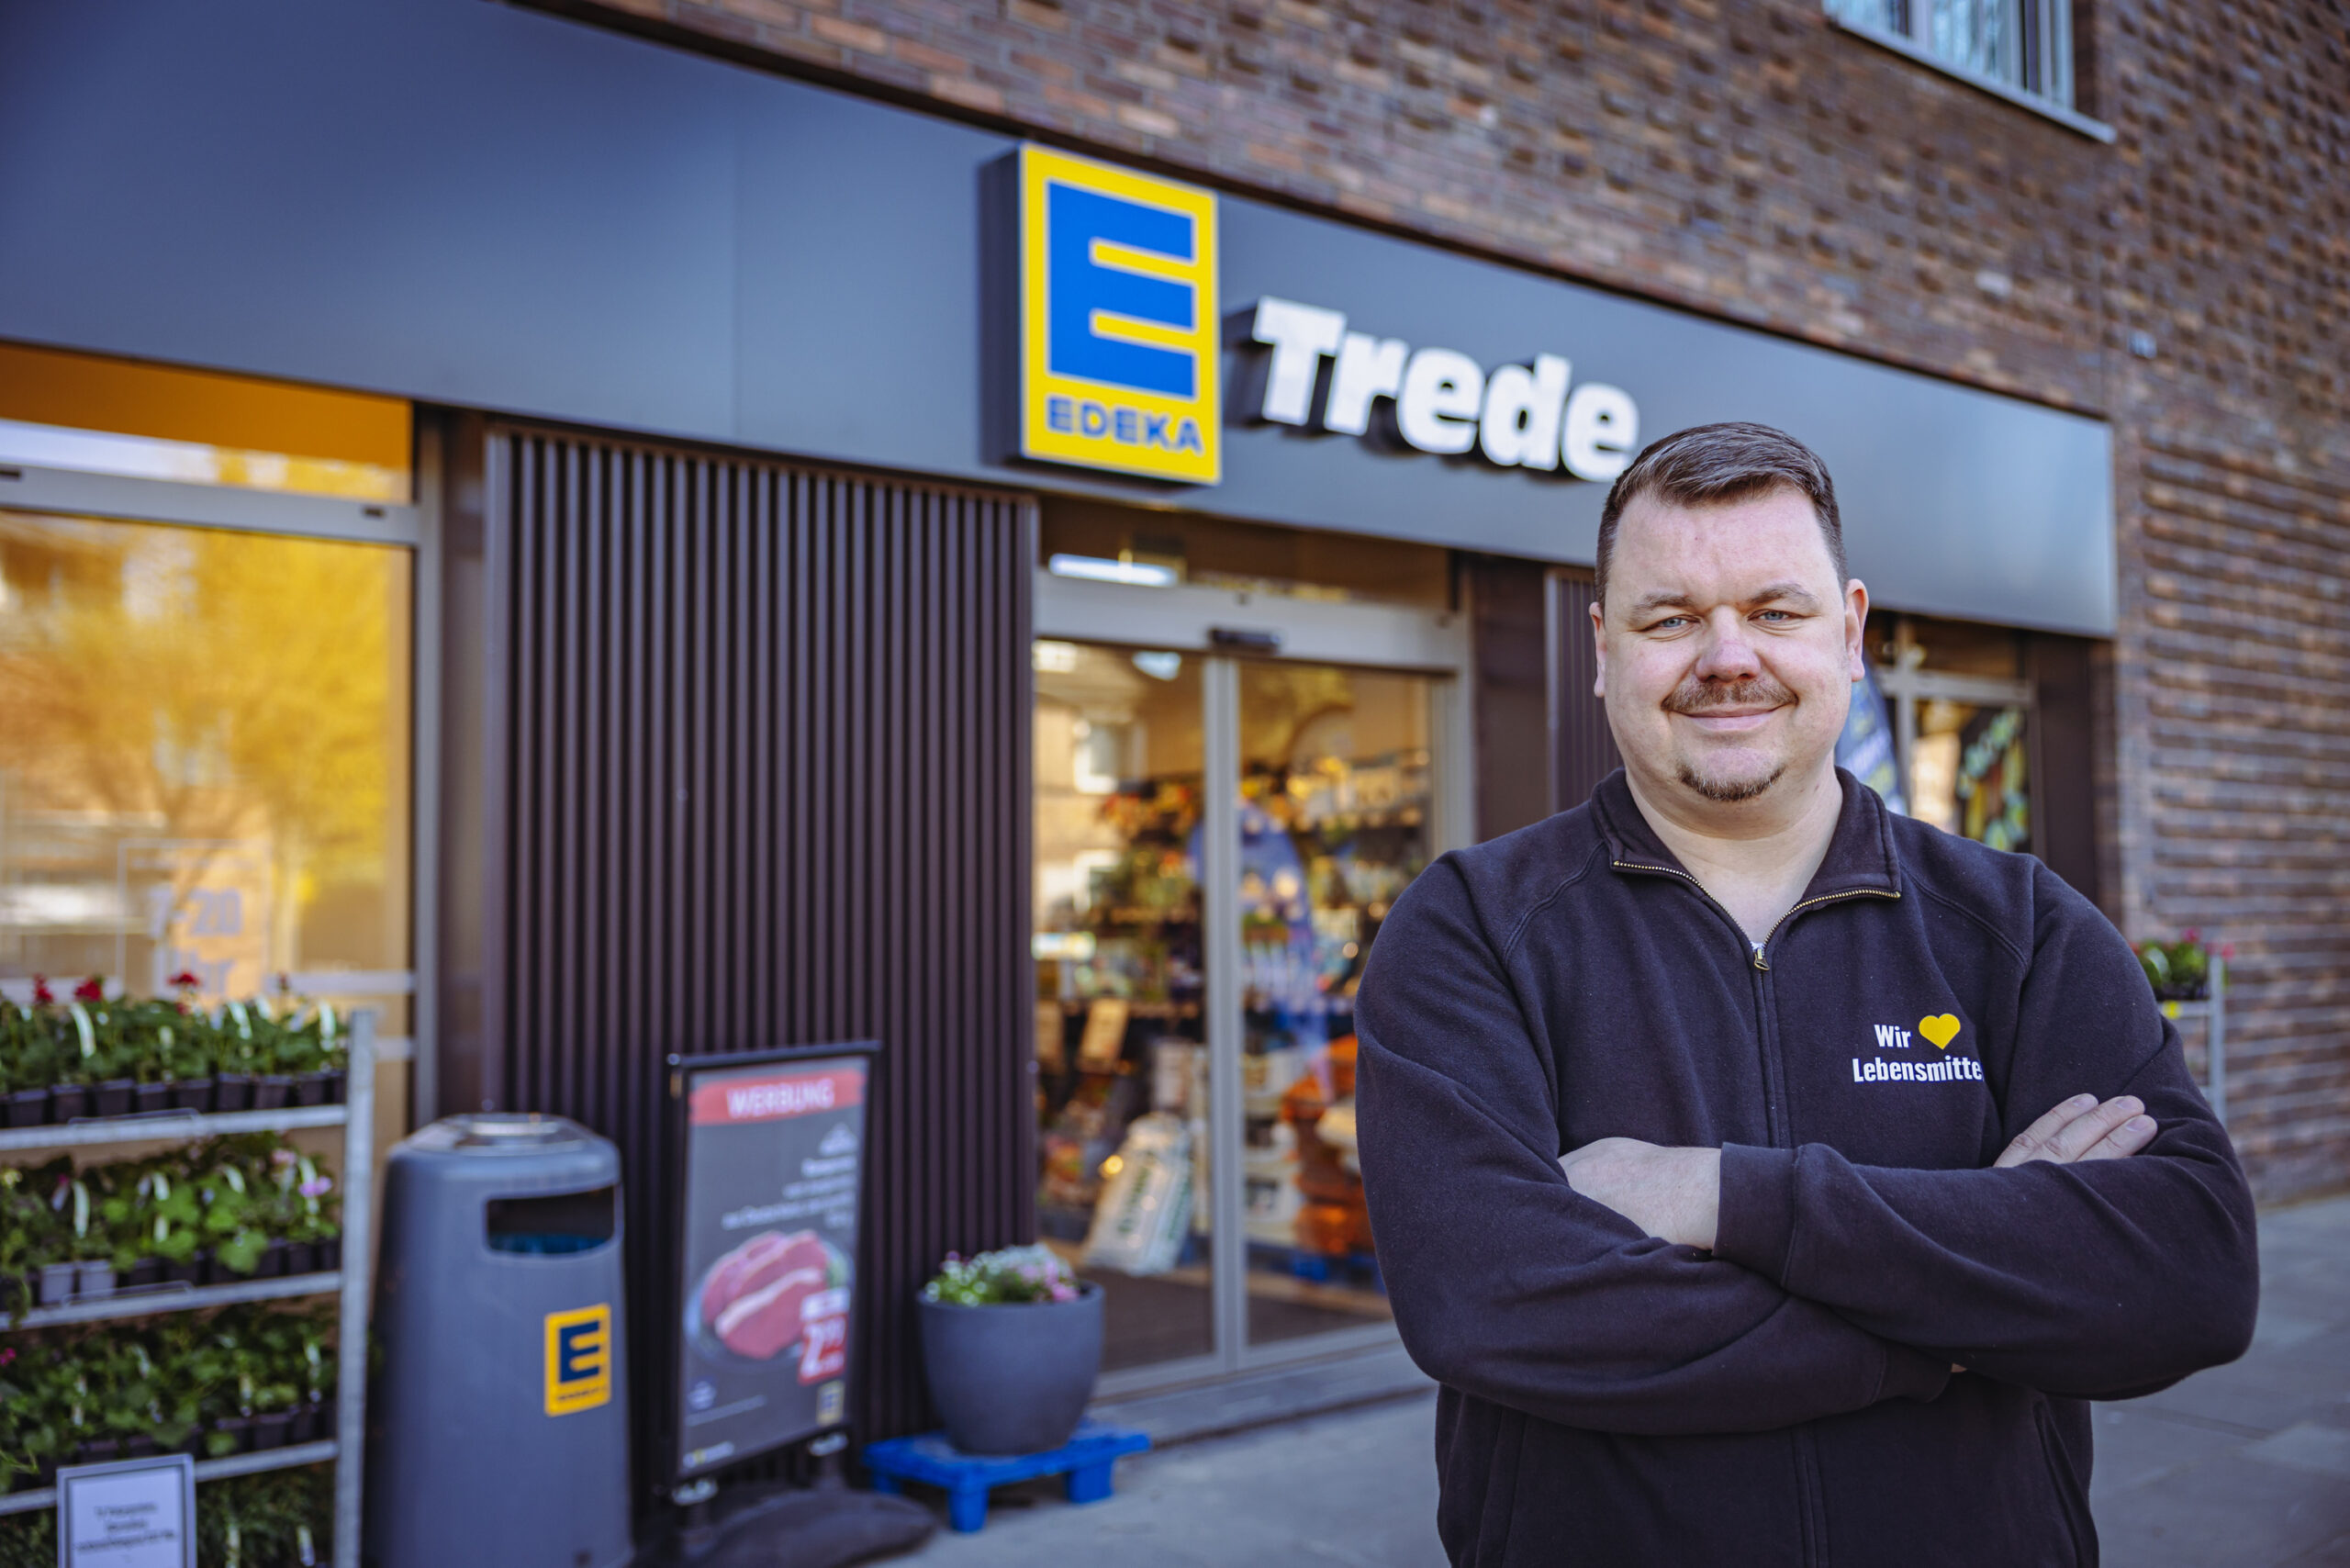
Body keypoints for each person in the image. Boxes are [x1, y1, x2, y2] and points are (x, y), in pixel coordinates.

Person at [1354, 423, 2257, 1567]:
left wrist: (1724, 1196)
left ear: (1850, 630)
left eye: (1774, 611)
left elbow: (2190, 1275)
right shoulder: (1474, 930)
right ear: (1601, 646)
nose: (1726, 655)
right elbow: (1489, 1305)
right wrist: (1962, 1314)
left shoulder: (2016, 929)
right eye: (1670, 616)